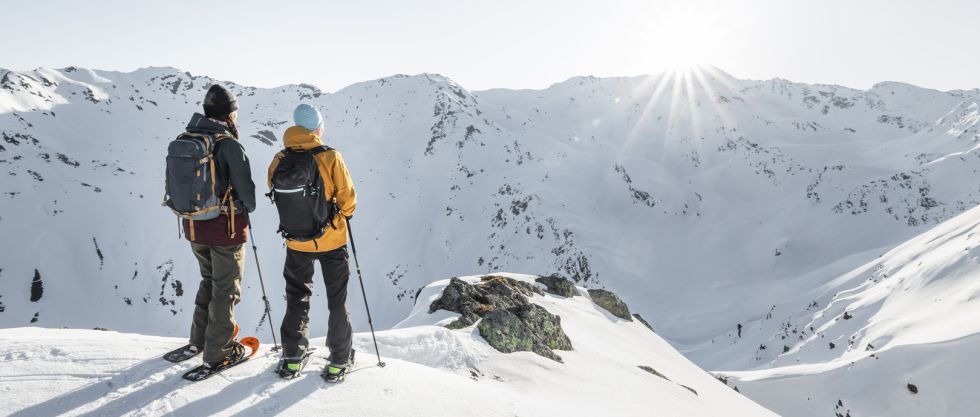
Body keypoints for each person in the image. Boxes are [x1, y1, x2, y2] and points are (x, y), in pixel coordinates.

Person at [267, 104, 356, 381]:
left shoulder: (279, 158)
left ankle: (293, 357)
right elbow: (348, 199)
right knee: (336, 300)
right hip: (332, 240)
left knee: (296, 298)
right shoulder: (330, 156)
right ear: (317, 128)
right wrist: (340, 217)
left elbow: (274, 191)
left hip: (296, 242)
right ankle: (339, 360)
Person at [179, 84, 257, 368]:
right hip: (225, 229)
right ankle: (219, 352)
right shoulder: (227, 144)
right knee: (226, 290)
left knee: (209, 282)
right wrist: (247, 207)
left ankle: (198, 341)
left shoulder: (190, 136)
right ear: (229, 114)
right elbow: (247, 192)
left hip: (193, 226)